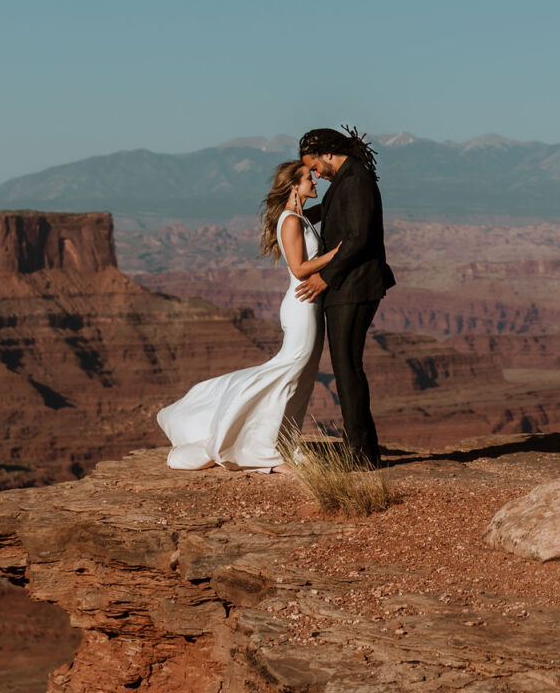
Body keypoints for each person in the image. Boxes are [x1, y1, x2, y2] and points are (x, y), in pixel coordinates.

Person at [156, 160, 340, 472]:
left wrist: (344, 197)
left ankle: (282, 442)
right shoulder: (291, 221)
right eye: (309, 178)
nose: (315, 181)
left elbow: (324, 211)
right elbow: (298, 269)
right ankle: (259, 448)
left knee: (301, 377)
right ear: (294, 185)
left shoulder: (298, 217)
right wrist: (339, 253)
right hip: (301, 306)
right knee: (288, 371)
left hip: (308, 305)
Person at [296, 127, 395, 469]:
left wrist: (325, 276)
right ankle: (360, 448)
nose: (317, 175)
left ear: (327, 152)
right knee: (346, 369)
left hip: (354, 286)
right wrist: (296, 219)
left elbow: (357, 238)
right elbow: (332, 210)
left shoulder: (355, 179)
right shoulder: (348, 178)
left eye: (315, 166)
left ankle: (362, 455)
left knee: (348, 369)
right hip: (350, 286)